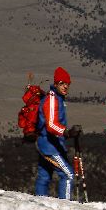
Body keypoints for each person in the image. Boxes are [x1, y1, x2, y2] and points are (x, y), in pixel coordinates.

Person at [35, 66, 81, 199]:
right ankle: (65, 206)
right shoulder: (52, 99)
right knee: (68, 175)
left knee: (44, 175)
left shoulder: (58, 98)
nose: (65, 86)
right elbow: (51, 125)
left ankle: (40, 203)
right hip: (50, 146)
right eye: (62, 83)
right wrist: (66, 133)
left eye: (67, 84)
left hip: (47, 144)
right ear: (55, 84)